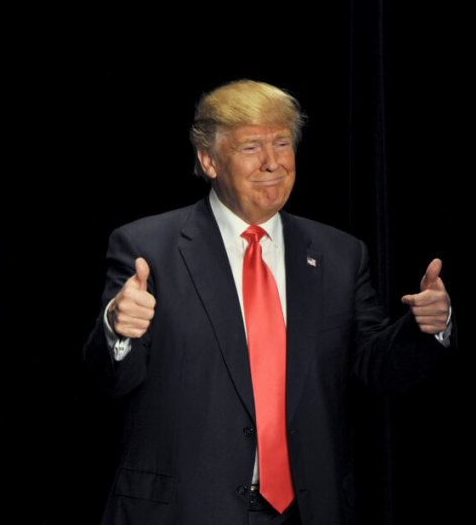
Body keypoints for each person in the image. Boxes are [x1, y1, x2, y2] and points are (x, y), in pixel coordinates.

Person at [84, 79, 455, 525]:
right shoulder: (147, 247)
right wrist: (117, 329)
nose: (272, 162)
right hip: (182, 511)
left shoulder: (340, 254)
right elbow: (112, 381)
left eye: (282, 143)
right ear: (209, 161)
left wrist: (426, 327)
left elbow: (376, 367)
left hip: (308, 510)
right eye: (251, 147)